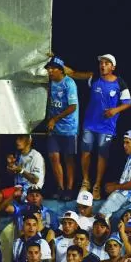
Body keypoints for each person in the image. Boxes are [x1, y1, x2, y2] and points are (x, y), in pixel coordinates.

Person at [64, 54, 131, 199]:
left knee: (102, 155)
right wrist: (58, 62)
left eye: (107, 63)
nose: (103, 65)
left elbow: (127, 102)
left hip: (107, 127)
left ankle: (97, 185)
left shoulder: (120, 83)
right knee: (86, 152)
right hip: (90, 123)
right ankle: (86, 181)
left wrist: (115, 110)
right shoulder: (94, 77)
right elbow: (74, 74)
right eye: (101, 63)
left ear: (113, 67)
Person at [44, 56, 80, 199]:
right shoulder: (49, 83)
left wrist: (55, 119)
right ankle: (60, 187)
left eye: (53, 68)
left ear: (60, 70)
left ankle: (69, 189)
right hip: (54, 128)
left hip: (69, 128)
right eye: (48, 68)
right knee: (53, 156)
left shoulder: (69, 84)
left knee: (68, 159)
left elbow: (72, 107)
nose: (50, 71)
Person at [98, 131, 131, 221]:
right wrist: (114, 184)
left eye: (127, 142)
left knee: (102, 215)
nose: (124, 145)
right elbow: (127, 180)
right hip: (126, 193)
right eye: (124, 142)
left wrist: (115, 187)